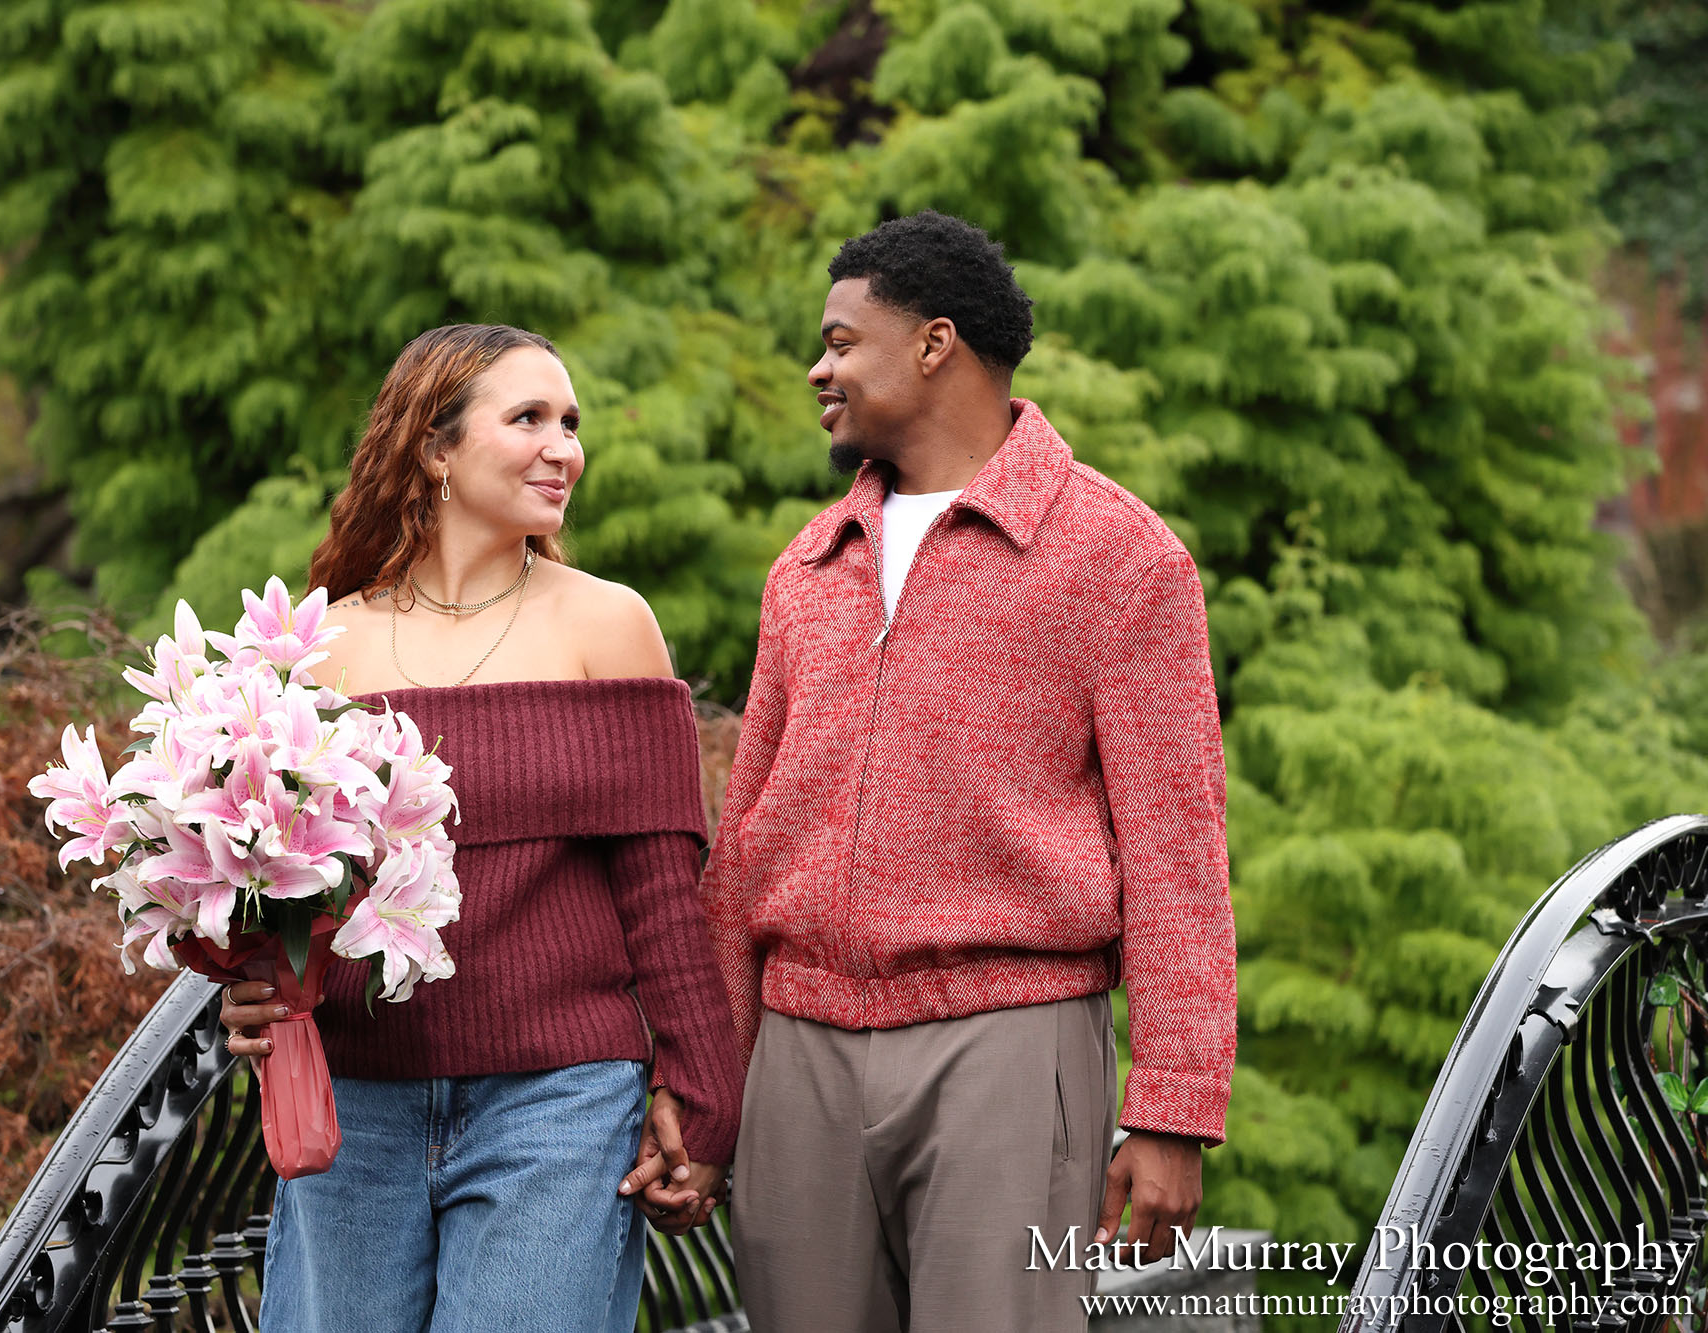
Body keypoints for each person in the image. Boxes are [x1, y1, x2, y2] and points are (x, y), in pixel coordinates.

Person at [702, 210, 1239, 1331]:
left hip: (1010, 1046)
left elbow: (1175, 856)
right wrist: (710, 1087)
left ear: (934, 342)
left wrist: (1172, 1108)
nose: (819, 368)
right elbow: (745, 851)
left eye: (842, 341)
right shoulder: (806, 567)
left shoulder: (1119, 557)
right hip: (797, 1055)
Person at [218, 323, 742, 1333]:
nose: (564, 447)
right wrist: (239, 984)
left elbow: (664, 899)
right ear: (434, 446)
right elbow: (262, 883)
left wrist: (703, 1099)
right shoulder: (323, 643)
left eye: (571, 422)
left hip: (558, 1107)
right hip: (351, 1106)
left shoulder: (607, 624)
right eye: (529, 419)